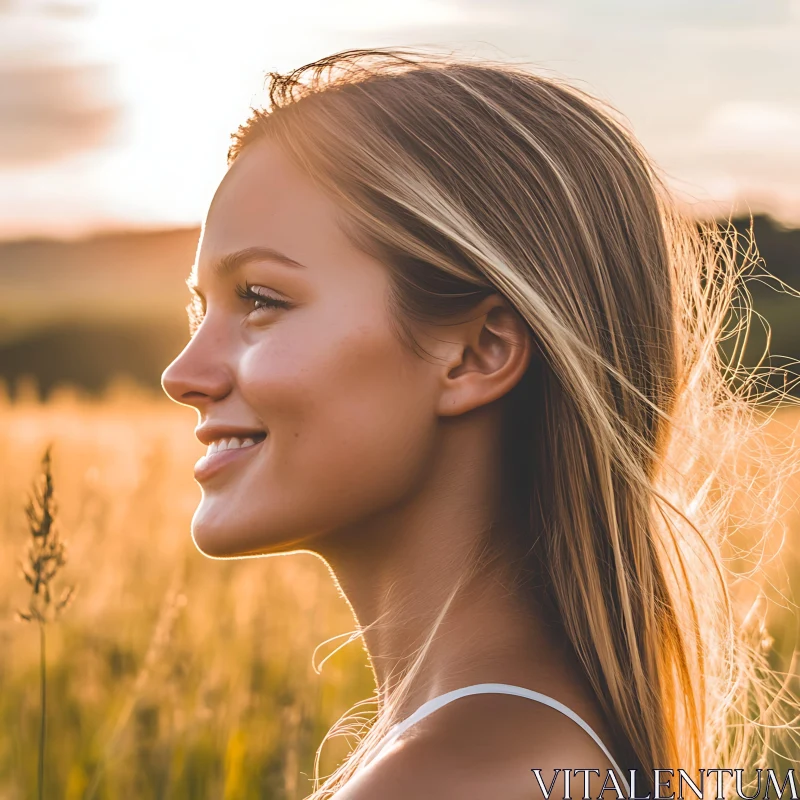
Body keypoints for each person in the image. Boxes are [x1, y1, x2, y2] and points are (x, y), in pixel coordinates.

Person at [160, 47, 797, 800]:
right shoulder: (522, 748)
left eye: (261, 298)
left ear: (477, 353)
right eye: (203, 308)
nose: (183, 375)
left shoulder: (451, 778)